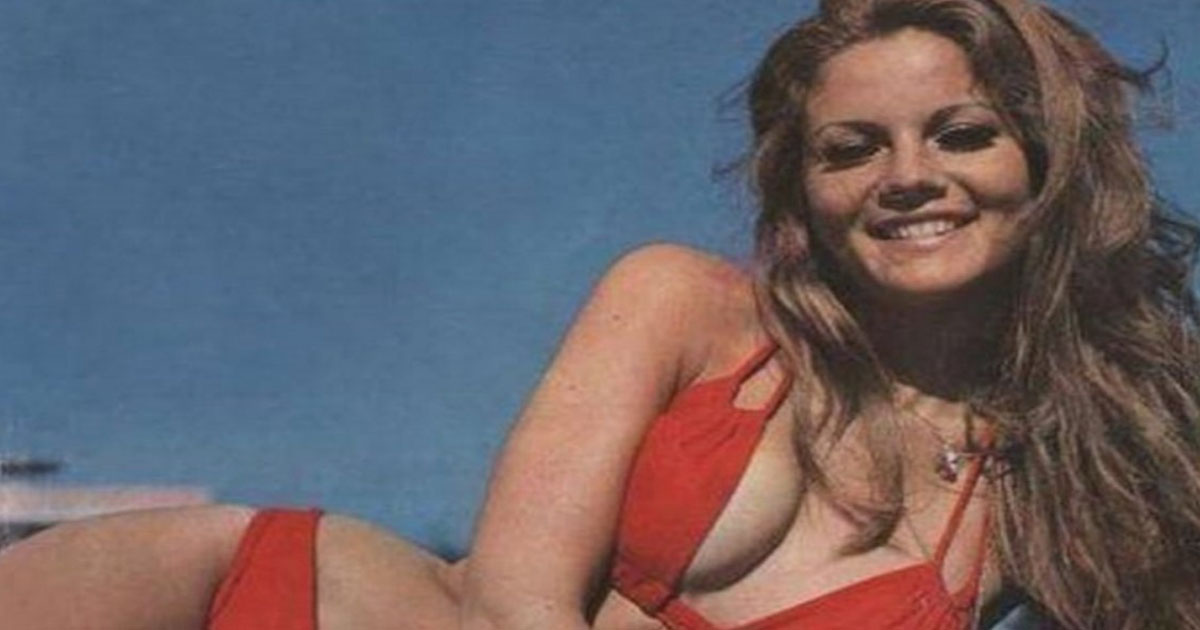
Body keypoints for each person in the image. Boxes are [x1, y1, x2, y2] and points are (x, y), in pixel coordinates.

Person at [2, 0, 1198, 628]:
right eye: (851, 148)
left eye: (962, 134)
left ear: (1048, 166)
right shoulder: (686, 306)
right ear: (805, 190)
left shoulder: (1074, 486)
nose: (906, 178)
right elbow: (513, 602)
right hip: (241, 599)